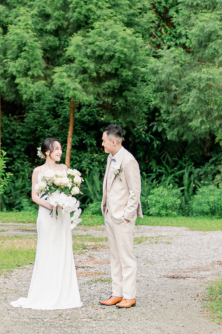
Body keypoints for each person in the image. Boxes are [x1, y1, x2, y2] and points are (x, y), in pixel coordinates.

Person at [10, 137, 83, 310]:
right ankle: (44, 292)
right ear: (47, 152)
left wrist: (65, 202)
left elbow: (68, 192)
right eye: (56, 149)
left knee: (62, 248)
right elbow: (35, 195)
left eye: (60, 149)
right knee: (47, 249)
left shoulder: (64, 169)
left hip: (62, 215)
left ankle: (64, 293)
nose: (60, 151)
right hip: (46, 214)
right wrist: (49, 205)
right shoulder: (38, 171)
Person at [98, 123, 142, 309]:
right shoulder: (111, 158)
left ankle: (129, 295)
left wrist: (127, 214)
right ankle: (117, 293)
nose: (102, 144)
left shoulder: (128, 160)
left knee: (126, 257)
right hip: (109, 213)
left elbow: (135, 191)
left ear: (113, 141)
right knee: (114, 256)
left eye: (104, 141)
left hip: (123, 216)